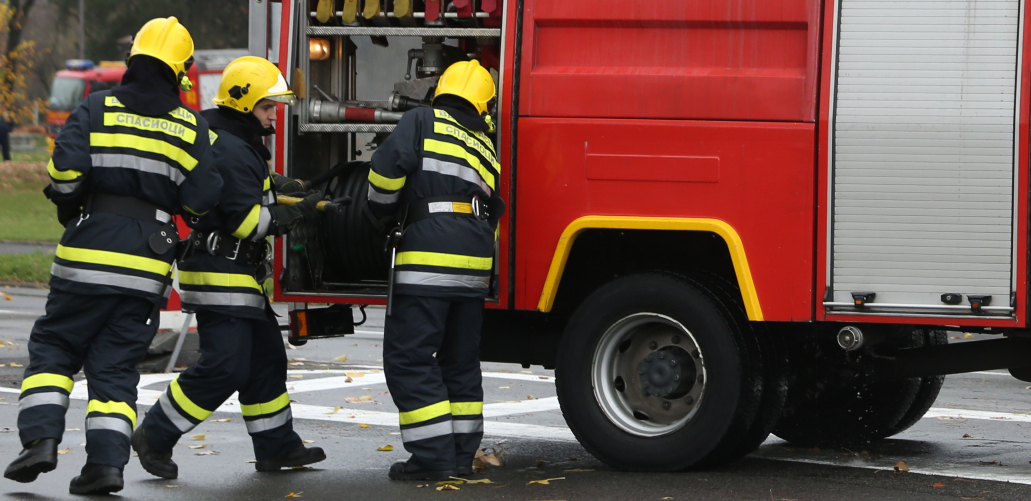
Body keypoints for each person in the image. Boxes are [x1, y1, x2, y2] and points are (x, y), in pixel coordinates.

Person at [3, 17, 222, 495]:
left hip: (87, 252)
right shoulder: (191, 126)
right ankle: (105, 467)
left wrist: (69, 203)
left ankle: (40, 439)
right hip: (146, 267)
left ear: (132, 60)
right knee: (116, 368)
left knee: (56, 349)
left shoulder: (96, 107)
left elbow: (64, 172)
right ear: (179, 70)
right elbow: (204, 196)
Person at [131, 56, 326, 479]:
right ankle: (155, 434)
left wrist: (288, 187)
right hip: (223, 273)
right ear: (243, 104)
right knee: (226, 365)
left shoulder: (225, 136)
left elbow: (245, 188)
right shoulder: (235, 147)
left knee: (266, 359)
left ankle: (278, 447)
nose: (273, 115)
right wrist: (302, 212)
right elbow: (246, 222)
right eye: (267, 107)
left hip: (228, 272)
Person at [367, 59, 503, 480]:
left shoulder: (421, 120)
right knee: (460, 362)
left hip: (427, 261)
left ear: (440, 92)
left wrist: (382, 216)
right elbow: (494, 211)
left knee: (409, 360)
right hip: (474, 267)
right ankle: (462, 456)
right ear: (483, 105)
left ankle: (432, 458)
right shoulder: (485, 146)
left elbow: (385, 173)